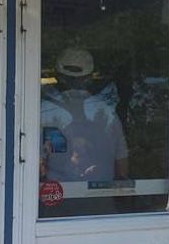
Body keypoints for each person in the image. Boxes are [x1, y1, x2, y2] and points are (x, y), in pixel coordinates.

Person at [40, 47, 129, 182]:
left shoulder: (43, 112)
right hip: (100, 194)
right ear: (89, 78)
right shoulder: (107, 111)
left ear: (57, 77)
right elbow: (122, 166)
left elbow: (37, 164)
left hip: (56, 195)